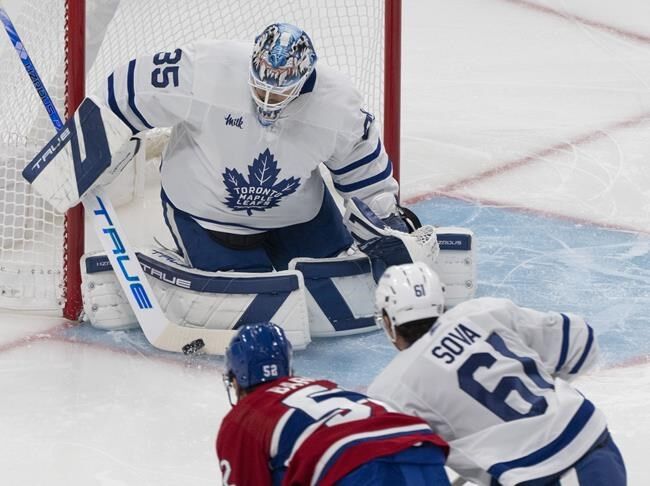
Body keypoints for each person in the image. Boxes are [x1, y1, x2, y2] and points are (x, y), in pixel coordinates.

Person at [96, 22, 412, 273]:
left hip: (299, 216)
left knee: (336, 276)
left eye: (278, 93)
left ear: (303, 80)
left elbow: (362, 168)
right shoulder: (209, 68)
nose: (266, 100)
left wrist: (386, 218)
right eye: (260, 87)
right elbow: (126, 91)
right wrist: (91, 140)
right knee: (246, 293)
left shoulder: (336, 104)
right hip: (208, 216)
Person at [368, 262, 627, 486]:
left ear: (389, 321)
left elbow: (407, 469)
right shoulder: (482, 311)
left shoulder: (391, 390)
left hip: (548, 469)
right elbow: (581, 340)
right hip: (590, 440)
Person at [216, 322, 451, 485]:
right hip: (421, 451)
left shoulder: (244, 418)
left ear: (236, 379)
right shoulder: (320, 385)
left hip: (350, 467)